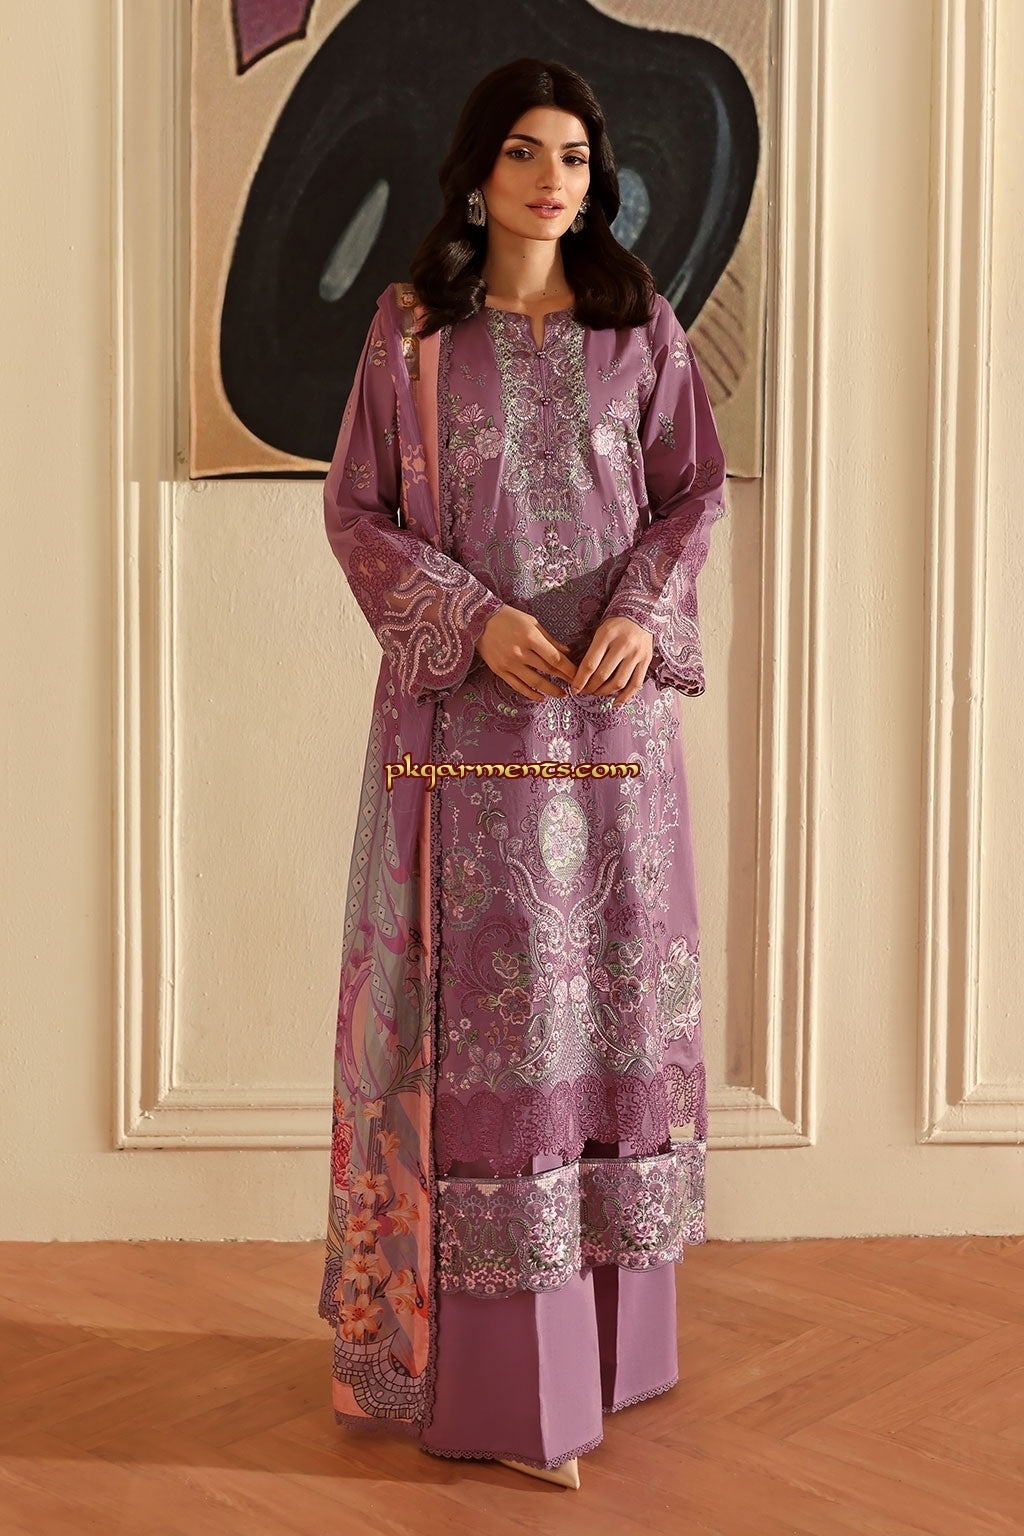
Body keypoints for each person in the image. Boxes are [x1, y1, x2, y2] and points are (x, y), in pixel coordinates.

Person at [317, 56, 727, 1485]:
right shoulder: (414, 335)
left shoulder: (639, 327)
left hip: (612, 741)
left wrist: (641, 615)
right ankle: (493, 1384)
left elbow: (692, 491)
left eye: (575, 156)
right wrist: (472, 619)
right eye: (524, 153)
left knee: (608, 1000)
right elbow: (357, 511)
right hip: (468, 744)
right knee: (492, 1030)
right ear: (478, 174)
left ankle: (615, 1349)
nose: (554, 180)